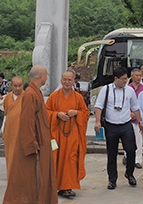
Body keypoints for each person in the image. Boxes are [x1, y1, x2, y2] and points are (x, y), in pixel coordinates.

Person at [3, 65, 58, 204]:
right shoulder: (30, 94)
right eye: (46, 75)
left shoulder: (35, 92)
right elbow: (27, 121)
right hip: (35, 146)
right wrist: (31, 145)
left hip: (42, 141)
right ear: (41, 76)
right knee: (29, 179)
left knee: (40, 177)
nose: (47, 78)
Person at [93, 67, 143, 190]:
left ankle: (130, 173)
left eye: (126, 79)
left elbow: (135, 107)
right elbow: (98, 106)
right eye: (122, 79)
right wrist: (97, 122)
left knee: (131, 149)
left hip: (126, 124)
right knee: (111, 154)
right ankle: (112, 179)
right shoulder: (105, 90)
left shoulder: (129, 91)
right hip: (111, 125)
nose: (125, 81)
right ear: (115, 79)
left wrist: (140, 122)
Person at [46, 70, 90, 198]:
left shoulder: (78, 97)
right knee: (57, 159)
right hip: (57, 135)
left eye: (69, 80)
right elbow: (45, 112)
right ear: (61, 81)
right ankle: (56, 186)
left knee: (71, 159)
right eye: (64, 79)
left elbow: (86, 114)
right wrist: (56, 115)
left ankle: (67, 187)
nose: (66, 82)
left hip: (72, 136)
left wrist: (76, 113)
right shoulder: (54, 96)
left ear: (74, 81)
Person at [3, 76, 25, 177]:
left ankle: (20, 175)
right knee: (10, 152)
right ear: (11, 86)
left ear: (23, 85)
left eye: (20, 85)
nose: (17, 88)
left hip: (22, 129)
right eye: (15, 86)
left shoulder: (27, 97)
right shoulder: (7, 98)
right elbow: (7, 111)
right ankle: (11, 174)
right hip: (10, 130)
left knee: (20, 154)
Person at [126, 68, 143, 169]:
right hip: (127, 118)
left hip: (139, 119)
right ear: (132, 76)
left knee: (139, 141)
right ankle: (127, 157)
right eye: (137, 75)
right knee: (128, 140)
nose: (139, 77)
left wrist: (138, 114)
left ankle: (138, 160)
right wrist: (129, 112)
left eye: (140, 75)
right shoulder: (127, 88)